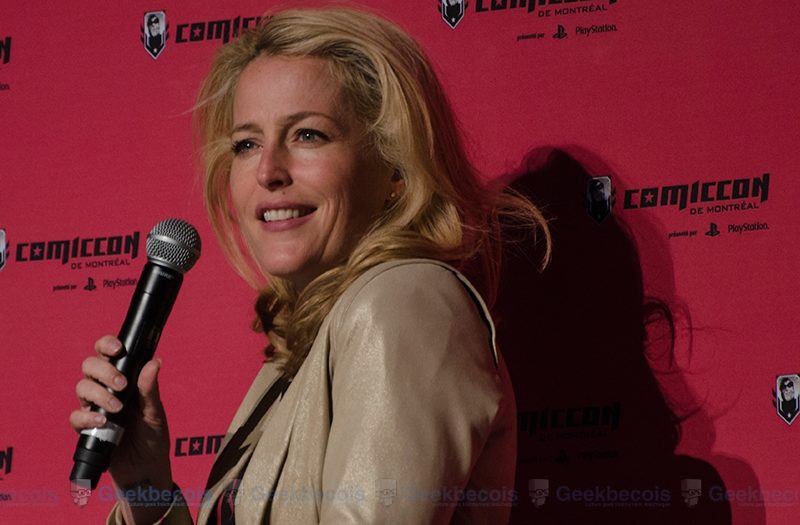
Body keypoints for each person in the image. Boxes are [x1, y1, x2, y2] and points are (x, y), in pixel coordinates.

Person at [70, 6, 549, 524]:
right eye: (247, 144)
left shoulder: (404, 305)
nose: (268, 170)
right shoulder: (298, 357)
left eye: (308, 135)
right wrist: (146, 487)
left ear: (396, 166)